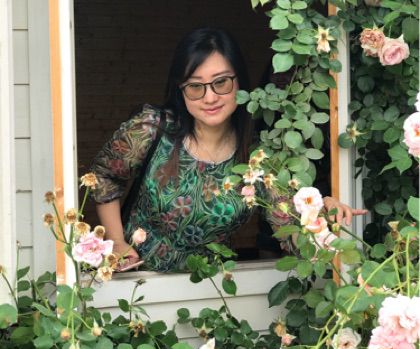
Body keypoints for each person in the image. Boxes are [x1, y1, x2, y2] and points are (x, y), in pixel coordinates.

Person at [91, 27, 366, 272]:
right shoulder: (152, 128)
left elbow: (288, 225)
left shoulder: (258, 156)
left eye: (221, 82)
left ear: (239, 82)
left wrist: (317, 217)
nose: (210, 97)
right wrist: (116, 242)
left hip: (210, 289)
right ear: (181, 89)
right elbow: (104, 176)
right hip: (136, 284)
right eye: (195, 86)